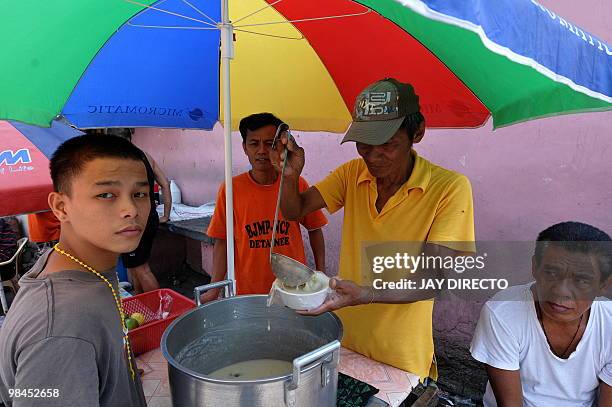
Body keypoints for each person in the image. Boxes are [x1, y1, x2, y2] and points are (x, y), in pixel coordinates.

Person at [273, 78, 475, 379]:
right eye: (364, 146)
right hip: (346, 340)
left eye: (388, 145)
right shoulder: (353, 174)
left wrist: (365, 294)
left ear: (417, 133)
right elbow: (295, 210)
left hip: (402, 355)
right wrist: (290, 177)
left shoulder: (449, 189)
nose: (373, 157)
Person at [0, 135, 149, 407]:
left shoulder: (82, 268)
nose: (131, 210)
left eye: (139, 194)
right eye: (106, 195)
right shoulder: (62, 328)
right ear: (61, 207)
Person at [470, 221, 612, 407]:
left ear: (603, 285)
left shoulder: (608, 324)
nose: (561, 291)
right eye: (552, 273)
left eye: (581, 281)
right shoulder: (503, 312)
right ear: (535, 267)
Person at [202, 113, 328, 302]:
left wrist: (320, 274)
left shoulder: (296, 183)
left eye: (269, 144)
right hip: (248, 292)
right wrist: (214, 288)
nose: (262, 150)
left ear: (279, 146)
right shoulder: (230, 189)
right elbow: (222, 240)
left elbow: (315, 229)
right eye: (254, 144)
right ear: (245, 147)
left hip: (293, 289)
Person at [120, 151, 171, 293]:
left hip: (133, 221)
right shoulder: (146, 156)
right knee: (135, 267)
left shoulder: (120, 158)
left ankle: (158, 310)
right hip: (149, 218)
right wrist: (166, 214)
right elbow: (165, 184)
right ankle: (142, 305)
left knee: (142, 269)